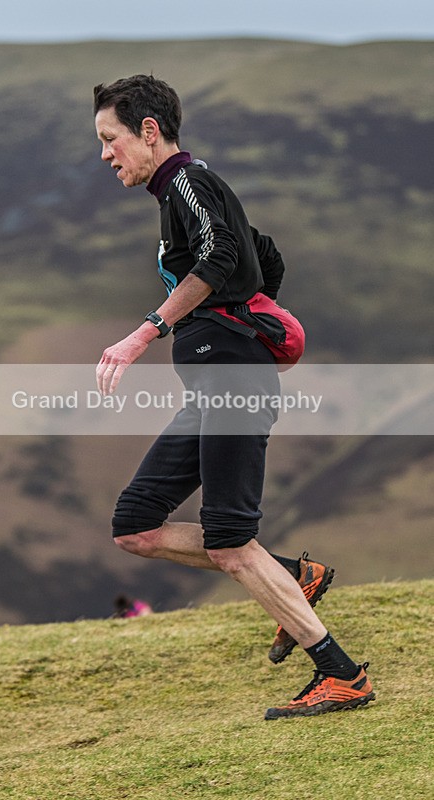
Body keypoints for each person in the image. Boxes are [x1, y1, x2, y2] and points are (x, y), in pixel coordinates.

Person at [92, 74, 375, 719]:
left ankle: (341, 675)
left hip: (230, 383)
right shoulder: (181, 193)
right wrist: (246, 320)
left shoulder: (187, 183)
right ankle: (295, 577)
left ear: (149, 132)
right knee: (135, 525)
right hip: (216, 383)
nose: (107, 154)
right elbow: (262, 253)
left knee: (228, 540)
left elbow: (224, 255)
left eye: (111, 140)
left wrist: (149, 332)